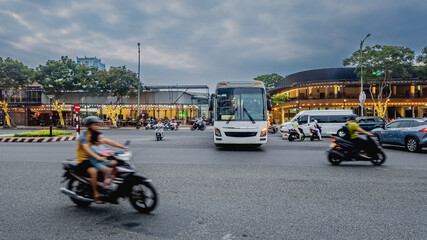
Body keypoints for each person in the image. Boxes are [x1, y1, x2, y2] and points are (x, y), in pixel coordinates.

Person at [76, 116, 128, 204]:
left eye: (98, 125)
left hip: (94, 158)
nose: (97, 126)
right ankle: (96, 194)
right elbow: (88, 150)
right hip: (84, 160)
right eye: (95, 125)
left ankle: (105, 187)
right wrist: (98, 157)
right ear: (89, 125)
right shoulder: (83, 136)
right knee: (93, 172)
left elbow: (107, 141)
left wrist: (122, 147)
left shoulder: (95, 134)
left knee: (113, 165)